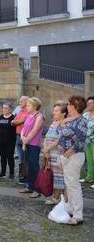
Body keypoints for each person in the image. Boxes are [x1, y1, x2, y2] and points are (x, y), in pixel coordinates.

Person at [58, 95, 87, 225]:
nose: (67, 106)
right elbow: (62, 135)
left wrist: (67, 154)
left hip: (74, 156)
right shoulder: (69, 119)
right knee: (68, 184)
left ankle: (78, 215)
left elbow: (80, 141)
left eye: (69, 104)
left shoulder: (81, 121)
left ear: (75, 106)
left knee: (73, 185)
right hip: (66, 155)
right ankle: (70, 208)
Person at [43, 101, 68, 205]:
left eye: (57, 111)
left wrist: (48, 148)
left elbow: (60, 139)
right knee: (55, 176)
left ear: (64, 113)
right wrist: (46, 150)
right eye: (54, 110)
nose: (54, 112)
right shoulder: (53, 123)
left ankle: (65, 200)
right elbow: (46, 137)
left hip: (59, 154)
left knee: (61, 177)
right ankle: (56, 198)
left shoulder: (65, 124)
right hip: (50, 154)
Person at [19, 97, 45, 198]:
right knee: (27, 166)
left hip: (33, 145)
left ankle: (37, 189)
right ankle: (29, 186)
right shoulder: (29, 116)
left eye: (29, 105)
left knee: (34, 167)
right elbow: (23, 129)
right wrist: (22, 137)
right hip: (26, 144)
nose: (26, 107)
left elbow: (34, 130)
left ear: (34, 106)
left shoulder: (39, 116)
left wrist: (26, 139)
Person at [11, 96, 30, 183]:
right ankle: (21, 177)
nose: (19, 102)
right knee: (20, 158)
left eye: (21, 101)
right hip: (18, 136)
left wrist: (16, 121)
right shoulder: (20, 111)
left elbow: (19, 121)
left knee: (25, 158)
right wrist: (16, 121)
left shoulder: (29, 112)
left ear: (26, 102)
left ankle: (25, 177)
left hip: (25, 137)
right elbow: (13, 121)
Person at [0, 103, 16, 178]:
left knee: (10, 157)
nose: (4, 109)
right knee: (2, 157)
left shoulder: (13, 118)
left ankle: (11, 173)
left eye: (6, 108)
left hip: (10, 141)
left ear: (10, 109)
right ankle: (2, 172)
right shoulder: (0, 117)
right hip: (1, 140)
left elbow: (13, 127)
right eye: (3, 108)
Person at [83, 95, 94, 188]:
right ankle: (90, 177)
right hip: (87, 141)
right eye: (88, 103)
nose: (89, 105)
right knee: (89, 159)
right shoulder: (85, 115)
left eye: (92, 103)